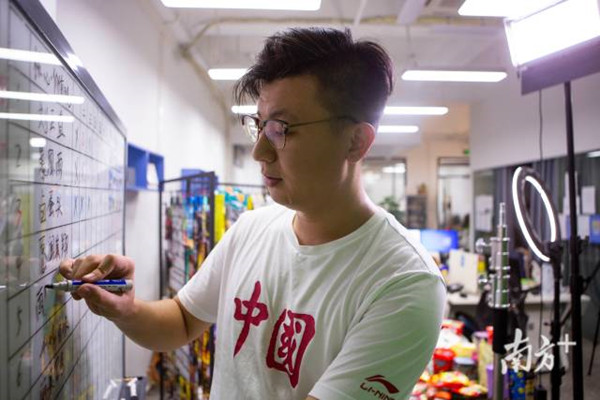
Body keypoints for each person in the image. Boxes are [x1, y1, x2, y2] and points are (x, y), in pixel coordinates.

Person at [60, 27, 446, 400]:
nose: (259, 152)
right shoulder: (252, 228)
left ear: (355, 142)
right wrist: (126, 309)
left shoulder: (404, 283)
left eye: (282, 129)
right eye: (260, 126)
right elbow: (181, 320)